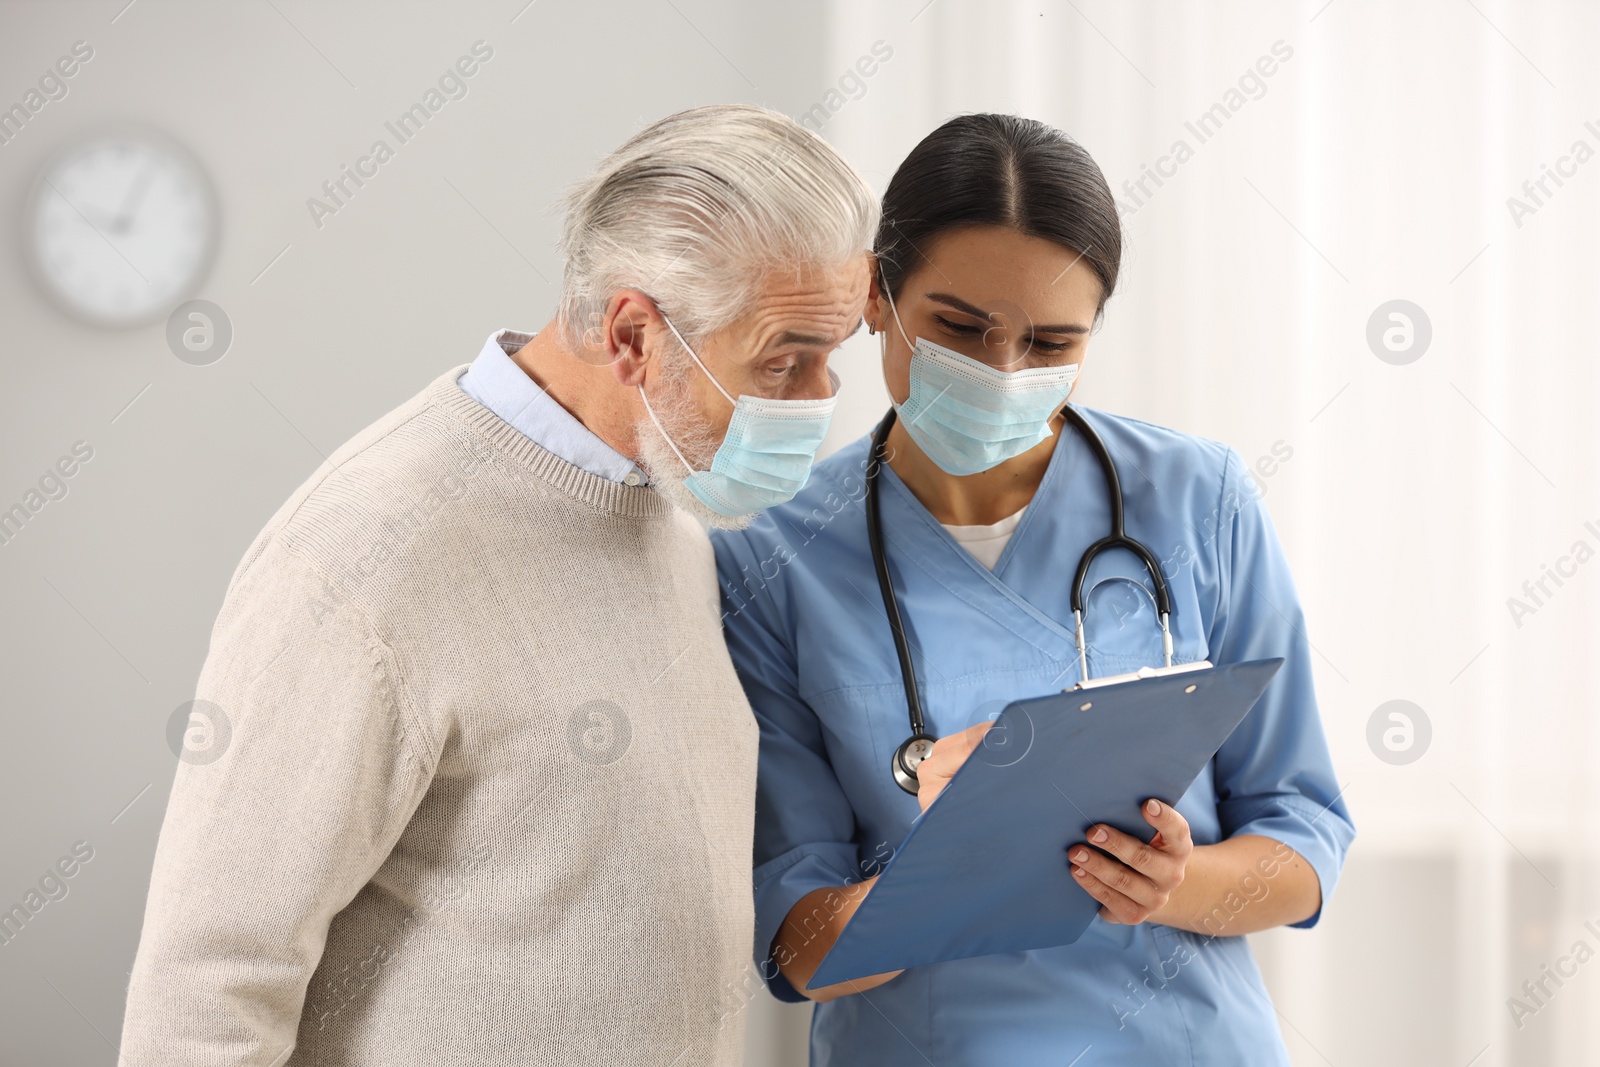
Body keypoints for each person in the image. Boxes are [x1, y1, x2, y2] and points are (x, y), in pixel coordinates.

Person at [119, 104, 876, 1067]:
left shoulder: (668, 501)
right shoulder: (367, 554)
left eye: (831, 356)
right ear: (635, 334)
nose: (819, 400)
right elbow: (207, 986)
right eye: (784, 358)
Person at [712, 113, 1355, 1065]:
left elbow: (1302, 842)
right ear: (874, 297)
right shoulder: (773, 553)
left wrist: (1171, 883)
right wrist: (949, 862)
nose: (1001, 370)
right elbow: (796, 942)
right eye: (960, 327)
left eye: (1051, 342)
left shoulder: (1196, 498)